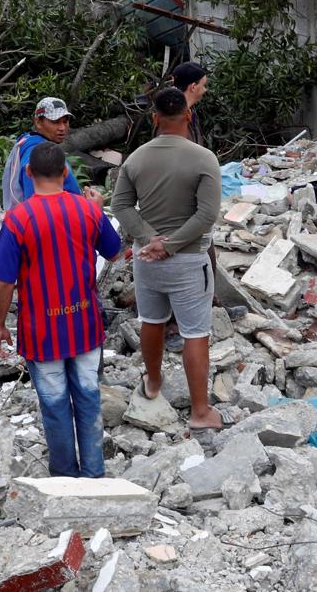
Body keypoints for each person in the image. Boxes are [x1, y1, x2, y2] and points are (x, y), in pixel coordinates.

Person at [0, 141, 123, 478]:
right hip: (85, 324)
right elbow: (115, 252)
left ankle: (64, 476)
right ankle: (93, 473)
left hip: (41, 329)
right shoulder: (88, 211)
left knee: (54, 403)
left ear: (29, 173)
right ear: (66, 172)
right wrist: (100, 207)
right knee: (88, 395)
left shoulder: (18, 219)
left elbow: (4, 281)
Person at [110, 87, 225, 430]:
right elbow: (206, 216)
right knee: (195, 332)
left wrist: (149, 239)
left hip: (148, 261)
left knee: (152, 320)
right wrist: (172, 245)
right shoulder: (204, 159)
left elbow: (120, 206)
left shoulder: (136, 159)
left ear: (155, 117)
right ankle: (200, 412)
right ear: (188, 115)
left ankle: (154, 382)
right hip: (188, 260)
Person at [1, 97, 104, 210]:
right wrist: (92, 209)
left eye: (65, 121)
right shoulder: (37, 153)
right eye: (55, 122)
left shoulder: (28, 142)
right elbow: (37, 205)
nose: (62, 128)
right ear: (38, 122)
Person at [170, 61, 209, 145]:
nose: (205, 90)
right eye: (204, 85)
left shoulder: (190, 110)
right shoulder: (172, 117)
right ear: (193, 87)